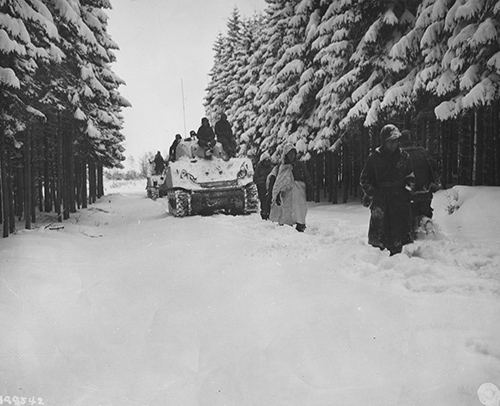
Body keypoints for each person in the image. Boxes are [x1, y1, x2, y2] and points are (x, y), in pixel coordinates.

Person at [360, 124, 415, 256]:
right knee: (379, 239)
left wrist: (407, 191)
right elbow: (364, 178)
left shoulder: (404, 157)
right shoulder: (374, 157)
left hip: (399, 201)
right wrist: (373, 193)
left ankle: (397, 261)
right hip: (381, 200)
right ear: (384, 141)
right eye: (390, 141)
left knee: (398, 236)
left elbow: (410, 177)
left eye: (396, 141)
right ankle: (378, 265)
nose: (393, 144)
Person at [400, 130, 441, 233]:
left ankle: (412, 236)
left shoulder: (399, 156)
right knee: (423, 212)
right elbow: (434, 167)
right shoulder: (422, 152)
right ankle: (426, 224)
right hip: (425, 191)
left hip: (407, 193)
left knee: (406, 218)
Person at [269, 143, 311, 232]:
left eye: (293, 153)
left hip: (299, 191)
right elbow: (279, 181)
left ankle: (301, 225)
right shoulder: (282, 167)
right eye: (289, 154)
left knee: (300, 209)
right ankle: (286, 226)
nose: (292, 156)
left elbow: (307, 176)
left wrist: (310, 189)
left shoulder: (300, 165)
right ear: (286, 155)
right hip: (287, 193)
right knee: (287, 209)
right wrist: (277, 194)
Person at [253, 151, 274, 220]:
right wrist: (263, 180)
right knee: (263, 200)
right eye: (266, 160)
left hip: (270, 187)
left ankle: (269, 213)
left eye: (268, 160)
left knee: (269, 200)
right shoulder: (259, 167)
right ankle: (264, 214)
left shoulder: (271, 167)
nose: (267, 162)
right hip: (261, 187)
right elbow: (255, 178)